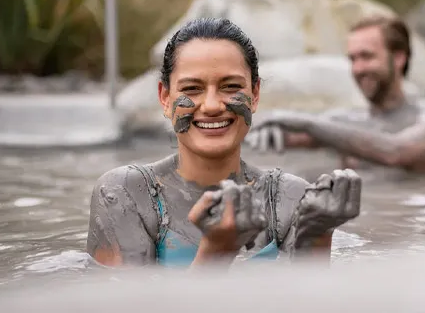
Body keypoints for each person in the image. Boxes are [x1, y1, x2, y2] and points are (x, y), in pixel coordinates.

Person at [86, 18, 361, 268]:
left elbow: (307, 302)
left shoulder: (288, 199)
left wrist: (316, 236)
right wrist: (216, 251)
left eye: (231, 87)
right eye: (192, 89)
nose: (212, 105)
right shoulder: (127, 195)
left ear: (254, 94)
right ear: (165, 98)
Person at [246, 16, 425, 174]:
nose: (358, 69)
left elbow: (394, 152)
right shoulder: (344, 121)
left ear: (399, 58)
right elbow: (282, 136)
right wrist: (269, 130)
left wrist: (304, 121)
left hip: (412, 225)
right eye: (352, 59)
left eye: (367, 56)